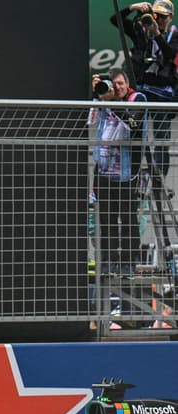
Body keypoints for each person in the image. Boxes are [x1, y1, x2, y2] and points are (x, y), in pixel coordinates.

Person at [110, 0, 178, 175]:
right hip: (142, 91)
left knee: (161, 141)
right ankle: (136, 176)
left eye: (163, 17)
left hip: (163, 94)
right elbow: (115, 20)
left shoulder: (174, 35)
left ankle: (159, 180)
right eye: (156, 15)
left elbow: (170, 55)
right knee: (136, 135)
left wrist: (157, 34)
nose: (159, 20)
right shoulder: (140, 30)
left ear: (170, 17)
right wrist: (132, 8)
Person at [91, 68, 148, 273]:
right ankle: (109, 261)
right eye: (113, 84)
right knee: (107, 220)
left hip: (127, 173)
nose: (116, 88)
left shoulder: (137, 98)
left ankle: (128, 262)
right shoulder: (104, 100)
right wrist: (95, 92)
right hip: (104, 170)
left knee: (128, 219)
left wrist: (112, 102)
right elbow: (90, 118)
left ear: (127, 84)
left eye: (120, 84)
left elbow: (133, 123)